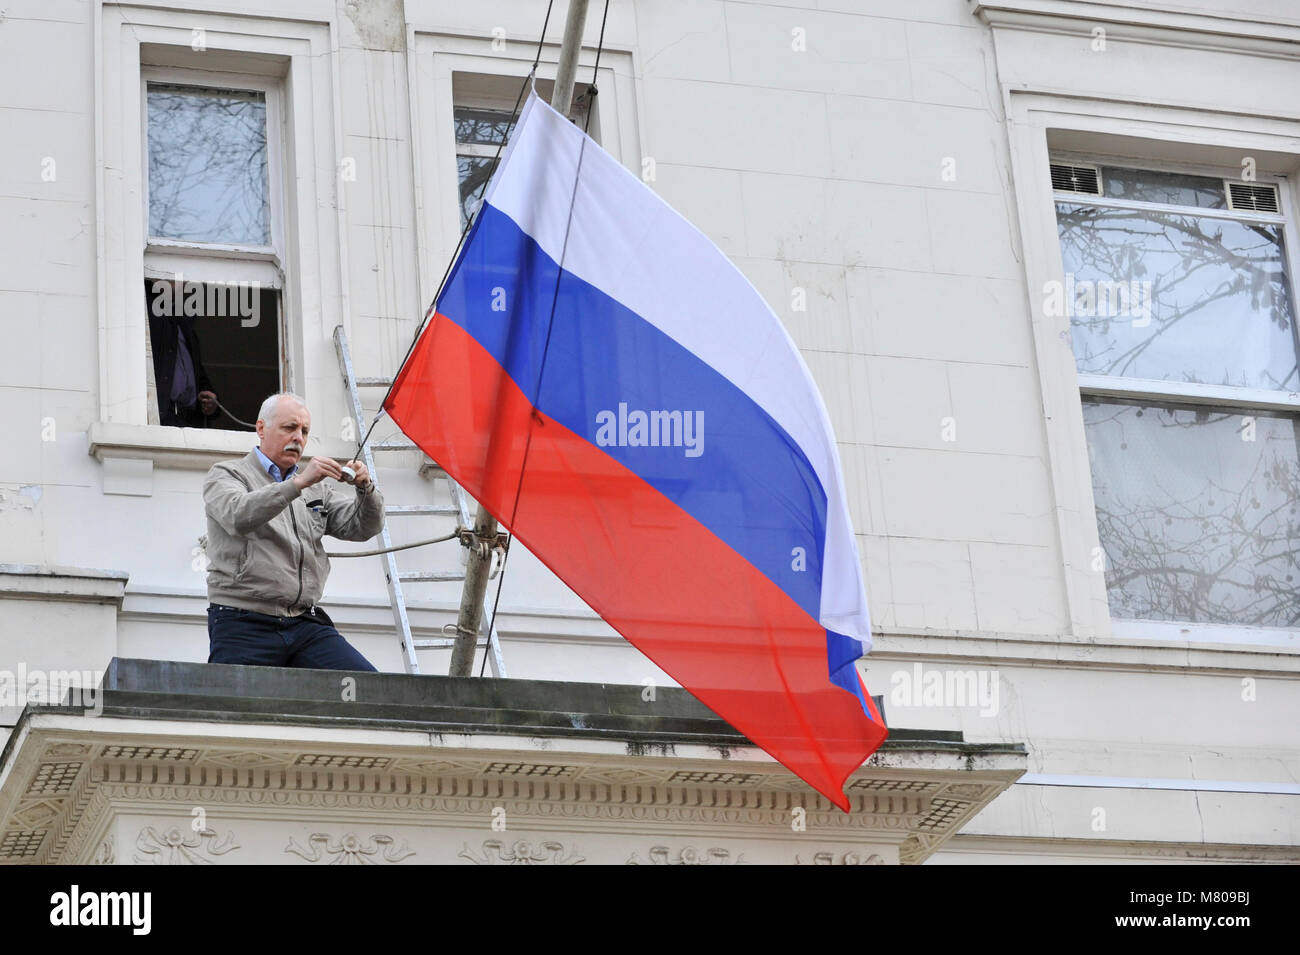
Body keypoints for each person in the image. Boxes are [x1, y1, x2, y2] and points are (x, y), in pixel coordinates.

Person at [202, 392, 384, 670]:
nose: (298, 437)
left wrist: (365, 488)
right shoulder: (226, 474)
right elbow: (238, 515)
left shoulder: (316, 487)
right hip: (242, 621)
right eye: (289, 428)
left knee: (367, 690)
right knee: (237, 709)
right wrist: (297, 484)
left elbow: (362, 527)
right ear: (261, 429)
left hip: (303, 623)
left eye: (305, 431)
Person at [148, 309, 220, 427]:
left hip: (190, 421)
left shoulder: (187, 332)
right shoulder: (151, 321)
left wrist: (212, 403)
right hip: (164, 419)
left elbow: (199, 378)